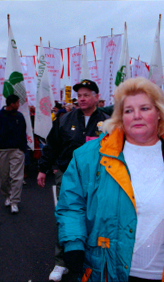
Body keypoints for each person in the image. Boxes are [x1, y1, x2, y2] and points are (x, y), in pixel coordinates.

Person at [55, 77, 164, 282]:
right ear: (120, 116)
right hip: (107, 270)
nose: (136, 116)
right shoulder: (88, 156)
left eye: (145, 108)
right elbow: (71, 203)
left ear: (159, 112)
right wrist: (74, 243)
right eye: (128, 110)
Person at [37, 79, 110, 282]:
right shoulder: (64, 119)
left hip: (100, 178)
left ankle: (94, 258)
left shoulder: (109, 120)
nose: (82, 99)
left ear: (97, 97)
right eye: (79, 95)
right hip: (68, 178)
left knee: (97, 217)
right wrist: (43, 169)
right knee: (67, 217)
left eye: (87, 95)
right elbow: (51, 145)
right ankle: (61, 262)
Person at [0, 94, 27, 214]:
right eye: (17, 103)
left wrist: (22, 148)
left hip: (16, 150)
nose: (18, 105)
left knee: (17, 177)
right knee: (3, 177)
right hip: (1, 151)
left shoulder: (20, 116)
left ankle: (15, 201)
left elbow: (23, 132)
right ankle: (7, 195)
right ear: (12, 104)